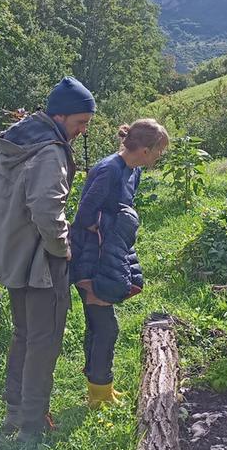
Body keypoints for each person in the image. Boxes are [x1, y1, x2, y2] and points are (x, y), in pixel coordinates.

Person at [0, 76, 96, 442]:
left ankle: (14, 413)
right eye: (80, 122)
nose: (83, 130)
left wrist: (10, 214)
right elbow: (48, 210)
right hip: (41, 262)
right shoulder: (50, 151)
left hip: (12, 255)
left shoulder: (15, 137)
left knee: (23, 335)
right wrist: (62, 249)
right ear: (61, 115)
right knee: (44, 339)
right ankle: (33, 426)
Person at [70, 119, 169, 408]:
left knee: (99, 324)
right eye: (158, 151)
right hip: (91, 259)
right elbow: (84, 217)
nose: (159, 157)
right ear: (146, 149)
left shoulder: (132, 171)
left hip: (109, 256)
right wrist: (111, 230)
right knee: (106, 327)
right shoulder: (108, 170)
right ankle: (99, 393)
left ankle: (100, 386)